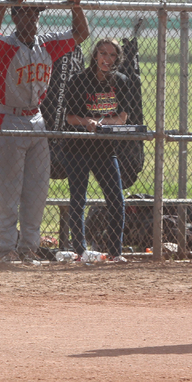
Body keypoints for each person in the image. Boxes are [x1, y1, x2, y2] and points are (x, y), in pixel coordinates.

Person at [0, 0, 89, 262]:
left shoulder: (47, 43)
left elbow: (81, 34)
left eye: (36, 14)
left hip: (36, 119)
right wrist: (5, 4)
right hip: (8, 117)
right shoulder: (5, 45)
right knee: (8, 191)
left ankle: (28, 248)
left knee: (37, 189)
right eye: (27, 14)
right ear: (16, 18)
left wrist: (75, 6)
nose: (33, 19)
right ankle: (6, 249)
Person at [62, 39, 129, 263]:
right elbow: (70, 117)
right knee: (78, 198)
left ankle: (115, 252)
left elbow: (123, 117)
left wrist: (106, 123)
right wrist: (87, 121)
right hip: (79, 148)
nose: (107, 59)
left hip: (105, 149)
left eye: (112, 55)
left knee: (116, 199)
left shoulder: (120, 82)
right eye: (102, 54)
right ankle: (80, 251)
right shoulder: (79, 81)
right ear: (95, 55)